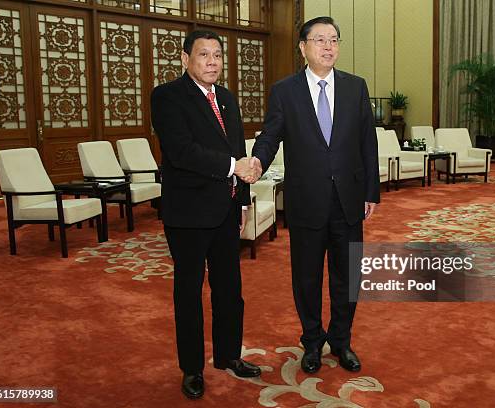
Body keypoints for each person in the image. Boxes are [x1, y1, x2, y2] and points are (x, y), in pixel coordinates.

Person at [251, 16, 380, 374]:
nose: (328, 46)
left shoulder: (356, 87)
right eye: (320, 40)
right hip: (306, 200)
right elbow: (270, 136)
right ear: (303, 47)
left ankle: (341, 340)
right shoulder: (285, 90)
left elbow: (367, 143)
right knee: (306, 277)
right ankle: (312, 341)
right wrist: (257, 162)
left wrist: (371, 191)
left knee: (347, 275)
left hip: (348, 199)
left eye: (334, 40)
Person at [150, 30, 262, 400]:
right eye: (204, 55)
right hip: (188, 214)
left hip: (226, 210)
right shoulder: (167, 97)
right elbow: (181, 152)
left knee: (230, 289)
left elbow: (239, 149)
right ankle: (192, 368)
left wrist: (243, 201)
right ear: (185, 59)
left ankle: (229, 355)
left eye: (217, 55)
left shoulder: (227, 98)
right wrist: (234, 167)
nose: (212, 62)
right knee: (189, 292)